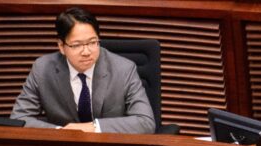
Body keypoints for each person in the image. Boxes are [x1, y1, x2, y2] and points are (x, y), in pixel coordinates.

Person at [10, 7, 155, 134]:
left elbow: (145, 122)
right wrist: (60, 132)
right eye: (77, 45)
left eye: (93, 42)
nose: (86, 52)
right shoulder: (42, 69)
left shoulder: (124, 69)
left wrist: (94, 128)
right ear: (61, 46)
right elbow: (19, 118)